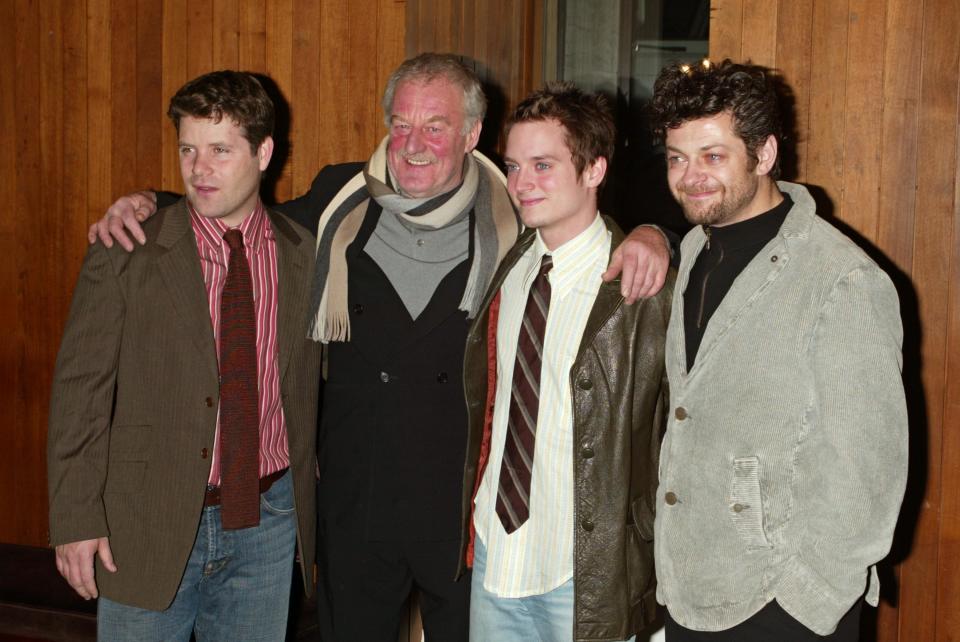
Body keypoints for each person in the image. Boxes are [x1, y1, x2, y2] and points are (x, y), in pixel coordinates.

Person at [87, 53, 672, 640]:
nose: (413, 144)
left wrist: (656, 233)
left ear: (471, 135)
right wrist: (151, 201)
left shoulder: (516, 216)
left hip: (462, 510)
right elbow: (247, 219)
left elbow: (594, 237)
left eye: (435, 127)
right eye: (400, 124)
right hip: (355, 499)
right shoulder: (339, 198)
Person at [47, 71, 321, 641]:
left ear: (264, 151)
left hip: (267, 522)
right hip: (145, 521)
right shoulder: (127, 249)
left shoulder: (306, 257)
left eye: (221, 151)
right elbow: (80, 392)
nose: (200, 169)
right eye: (189, 150)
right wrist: (75, 520)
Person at [649, 59, 908, 641]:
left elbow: (867, 472)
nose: (690, 177)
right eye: (677, 157)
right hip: (693, 588)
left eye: (713, 156)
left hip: (784, 607)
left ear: (763, 155)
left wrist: (805, 603)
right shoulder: (692, 251)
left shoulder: (842, 278)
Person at [457, 82, 672, 642]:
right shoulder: (515, 265)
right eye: (513, 165)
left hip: (585, 571)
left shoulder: (641, 288)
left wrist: (659, 234)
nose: (521, 183)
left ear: (595, 169)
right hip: (498, 556)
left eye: (543, 165)